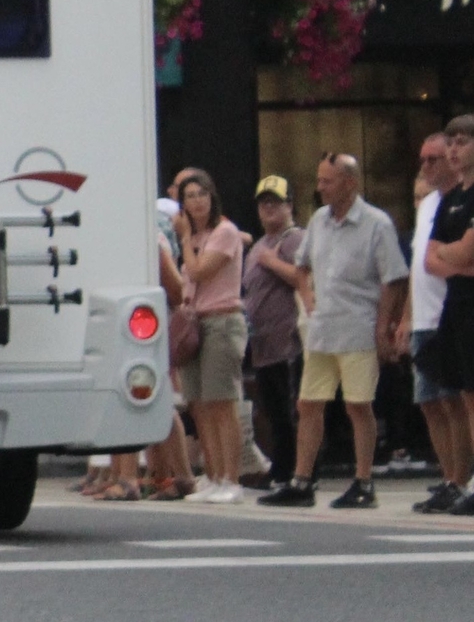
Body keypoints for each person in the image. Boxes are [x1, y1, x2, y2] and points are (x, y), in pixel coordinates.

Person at [261, 154, 410, 508]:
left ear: (350, 182)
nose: (320, 187)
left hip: (357, 324)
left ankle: (363, 480)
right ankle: (302, 480)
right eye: (319, 180)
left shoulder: (376, 224)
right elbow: (302, 267)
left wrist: (382, 324)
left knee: (359, 405)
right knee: (309, 403)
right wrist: (308, 296)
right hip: (324, 328)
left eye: (328, 181)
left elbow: (394, 278)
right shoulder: (318, 220)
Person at [171, 169, 249, 502]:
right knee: (199, 404)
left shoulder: (225, 232)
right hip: (195, 322)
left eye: (202, 194)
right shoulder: (195, 238)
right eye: (190, 196)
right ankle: (214, 474)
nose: (197, 201)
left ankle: (232, 477)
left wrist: (186, 239)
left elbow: (201, 270)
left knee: (221, 402)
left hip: (221, 320)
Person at [405, 133, 469, 511]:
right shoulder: (429, 203)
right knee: (430, 401)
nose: (427, 167)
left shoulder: (459, 199)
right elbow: (424, 262)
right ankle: (449, 477)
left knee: (455, 402)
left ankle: (461, 478)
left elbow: (451, 258)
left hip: (453, 310)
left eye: (434, 159)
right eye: (423, 160)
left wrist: (451, 257)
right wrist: (405, 316)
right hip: (424, 314)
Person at [242, 175, 304, 489]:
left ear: (289, 205)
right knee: (273, 410)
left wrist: (271, 262)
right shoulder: (258, 245)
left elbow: (303, 278)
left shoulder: (293, 239)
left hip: (287, 340)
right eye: (263, 202)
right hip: (262, 341)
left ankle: (299, 470)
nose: (268, 207)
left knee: (291, 409)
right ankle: (280, 467)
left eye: (275, 201)